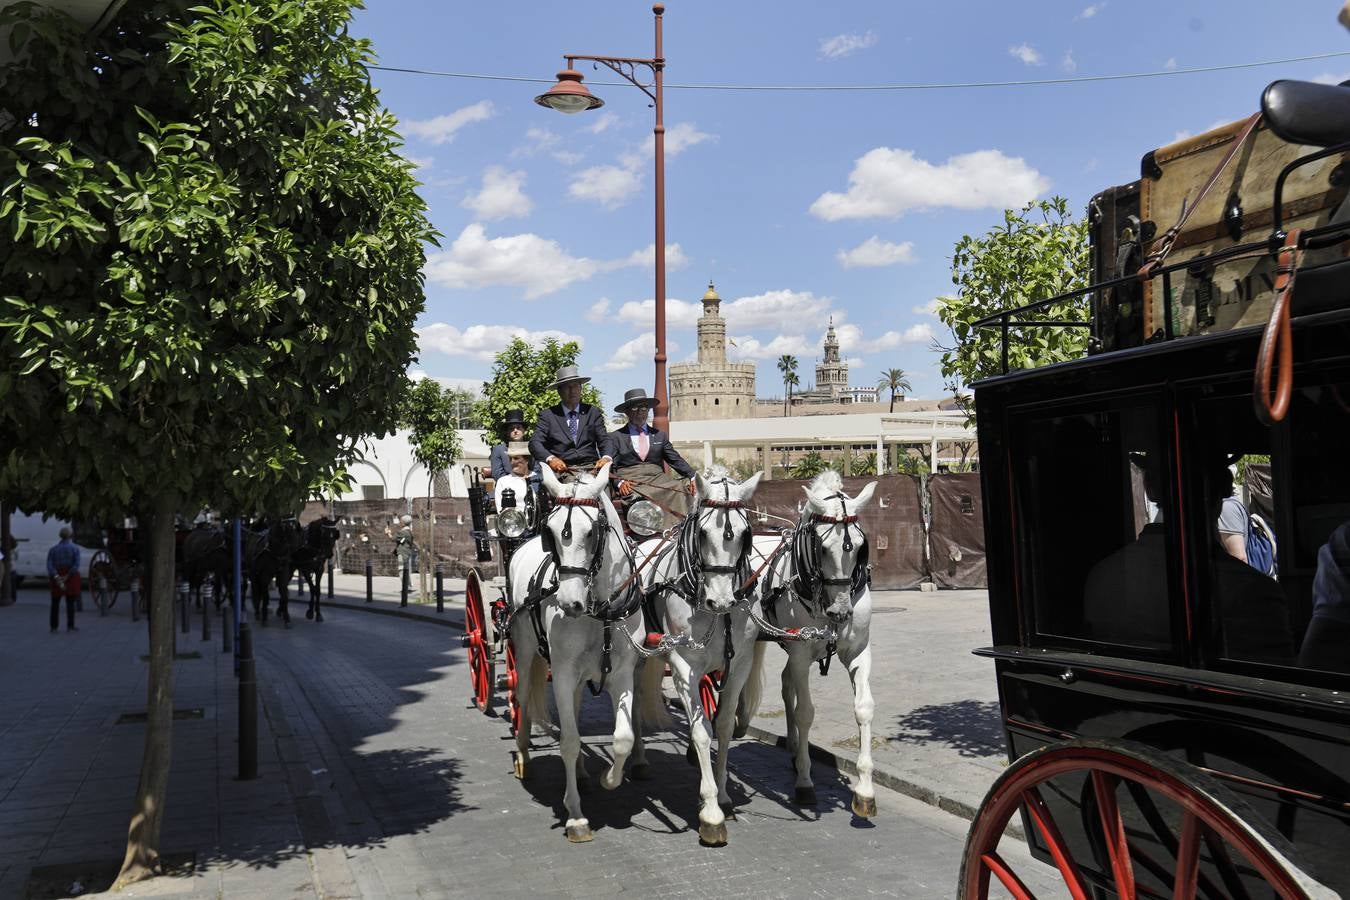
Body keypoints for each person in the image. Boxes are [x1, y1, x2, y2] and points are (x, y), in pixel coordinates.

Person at [605, 387, 696, 525]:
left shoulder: (659, 436)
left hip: (657, 478)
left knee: (679, 488)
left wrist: (693, 476)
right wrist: (619, 483)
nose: (640, 412)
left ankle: (678, 529)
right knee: (636, 495)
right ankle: (646, 531)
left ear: (648, 410)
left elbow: (675, 459)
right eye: (635, 408)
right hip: (631, 480)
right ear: (627, 412)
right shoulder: (615, 437)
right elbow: (609, 466)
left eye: (643, 408)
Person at [529, 365, 612, 482]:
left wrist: (606, 458)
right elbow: (535, 443)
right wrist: (551, 459)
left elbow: (604, 439)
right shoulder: (548, 415)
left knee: (604, 489)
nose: (572, 391)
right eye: (567, 387)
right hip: (562, 471)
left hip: (592, 468)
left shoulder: (592, 412)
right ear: (559, 391)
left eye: (575, 386)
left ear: (581, 388)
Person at [47, 526, 80, 633]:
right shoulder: (75, 549)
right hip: (70, 577)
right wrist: (67, 575)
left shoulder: (53, 549)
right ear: (70, 536)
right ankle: (70, 626)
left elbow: (49, 565)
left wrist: (56, 575)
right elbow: (76, 565)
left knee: (55, 602)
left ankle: (54, 626)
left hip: (57, 577)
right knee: (70, 602)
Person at [484, 409, 533, 481]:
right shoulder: (498, 450)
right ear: (507, 432)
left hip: (530, 484)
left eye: (518, 428)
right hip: (507, 486)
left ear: (523, 430)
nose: (515, 431)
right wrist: (516, 482)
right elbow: (497, 474)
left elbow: (537, 470)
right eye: (512, 428)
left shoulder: (532, 448)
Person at [493, 441, 539, 512]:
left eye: (516, 458)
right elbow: (501, 512)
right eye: (510, 459)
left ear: (527, 460)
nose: (512, 462)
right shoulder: (503, 482)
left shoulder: (538, 478)